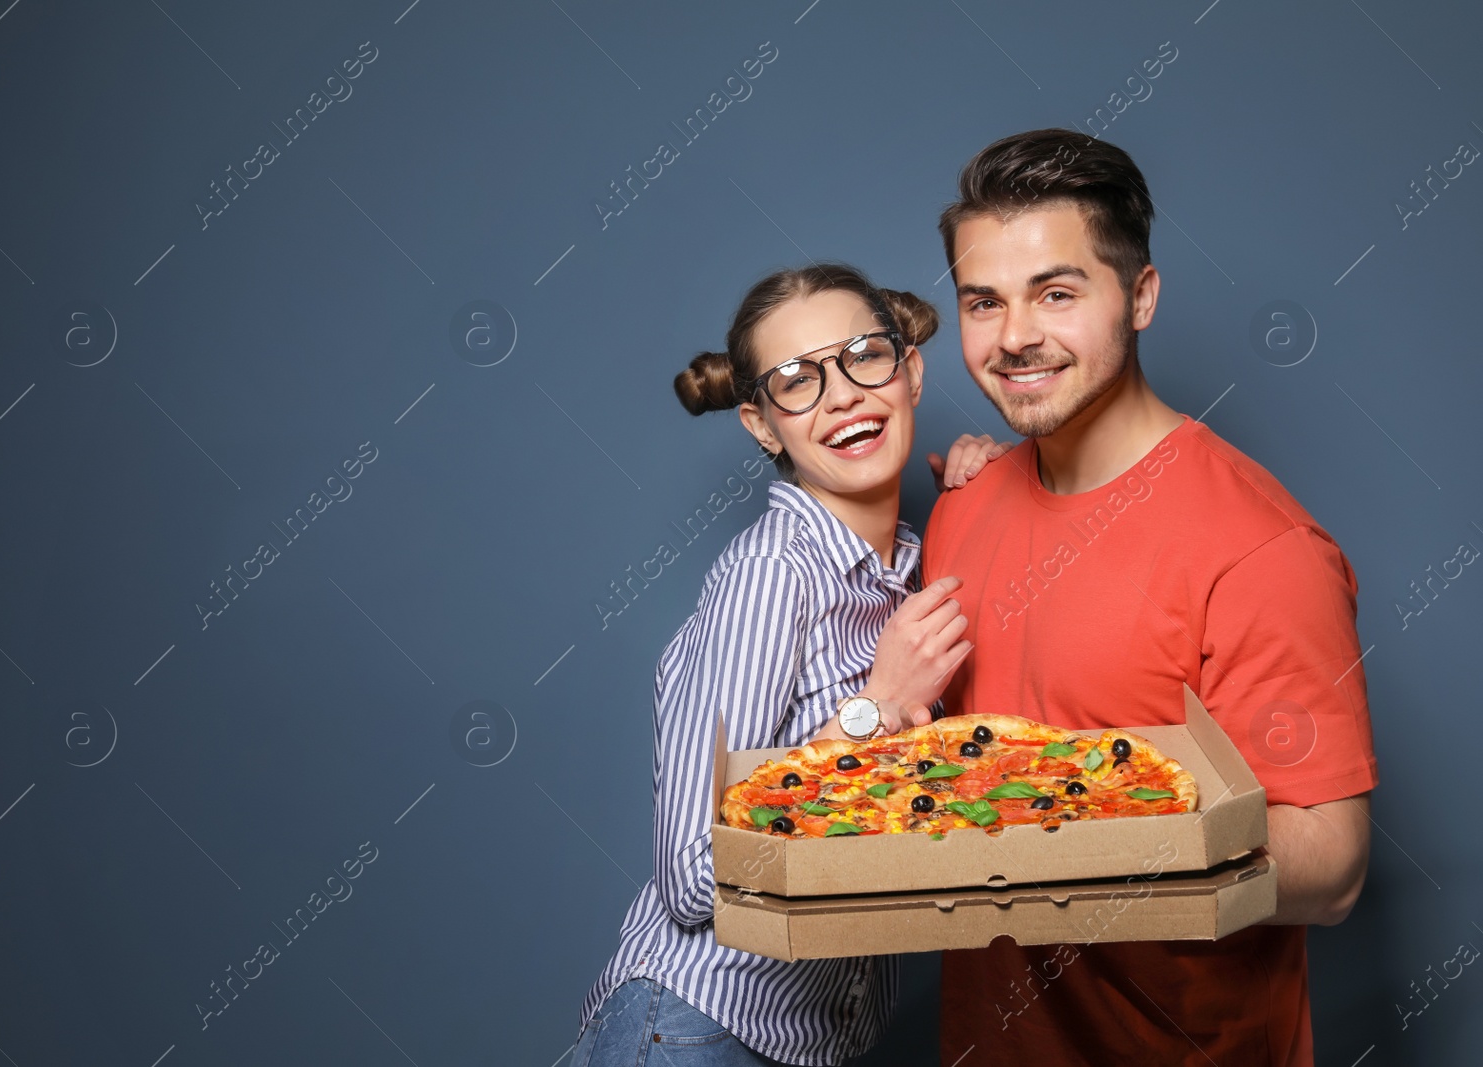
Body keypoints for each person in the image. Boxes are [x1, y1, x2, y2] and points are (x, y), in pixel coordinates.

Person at [920, 129, 1378, 1065]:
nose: (1014, 336)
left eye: (1056, 292)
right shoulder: (961, 514)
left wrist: (1088, 831)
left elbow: (1331, 865)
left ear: (1141, 295)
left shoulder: (1260, 548)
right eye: (983, 301)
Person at [571, 263, 1002, 1066]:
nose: (841, 395)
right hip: (695, 1027)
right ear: (764, 426)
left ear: (909, 374)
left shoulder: (906, 571)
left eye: (864, 357)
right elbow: (693, 874)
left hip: (808, 1042)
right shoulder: (773, 572)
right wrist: (876, 706)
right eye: (797, 381)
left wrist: (992, 491)